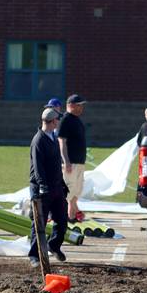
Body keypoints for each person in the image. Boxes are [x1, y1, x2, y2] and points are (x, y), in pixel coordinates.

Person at [28, 108, 69, 268]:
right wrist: (43, 187)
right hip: (41, 188)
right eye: (57, 120)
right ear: (52, 122)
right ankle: (34, 255)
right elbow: (38, 168)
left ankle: (54, 245)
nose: (59, 122)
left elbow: (55, 165)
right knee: (39, 223)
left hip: (56, 187)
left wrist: (62, 183)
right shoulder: (38, 140)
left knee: (62, 220)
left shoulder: (52, 137)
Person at [58, 94, 87, 222]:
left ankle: (73, 216)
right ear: (71, 105)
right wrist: (66, 161)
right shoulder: (65, 119)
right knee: (68, 191)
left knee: (77, 191)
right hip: (71, 162)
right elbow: (62, 142)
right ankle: (68, 217)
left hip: (80, 162)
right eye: (79, 105)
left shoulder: (77, 120)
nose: (82, 108)